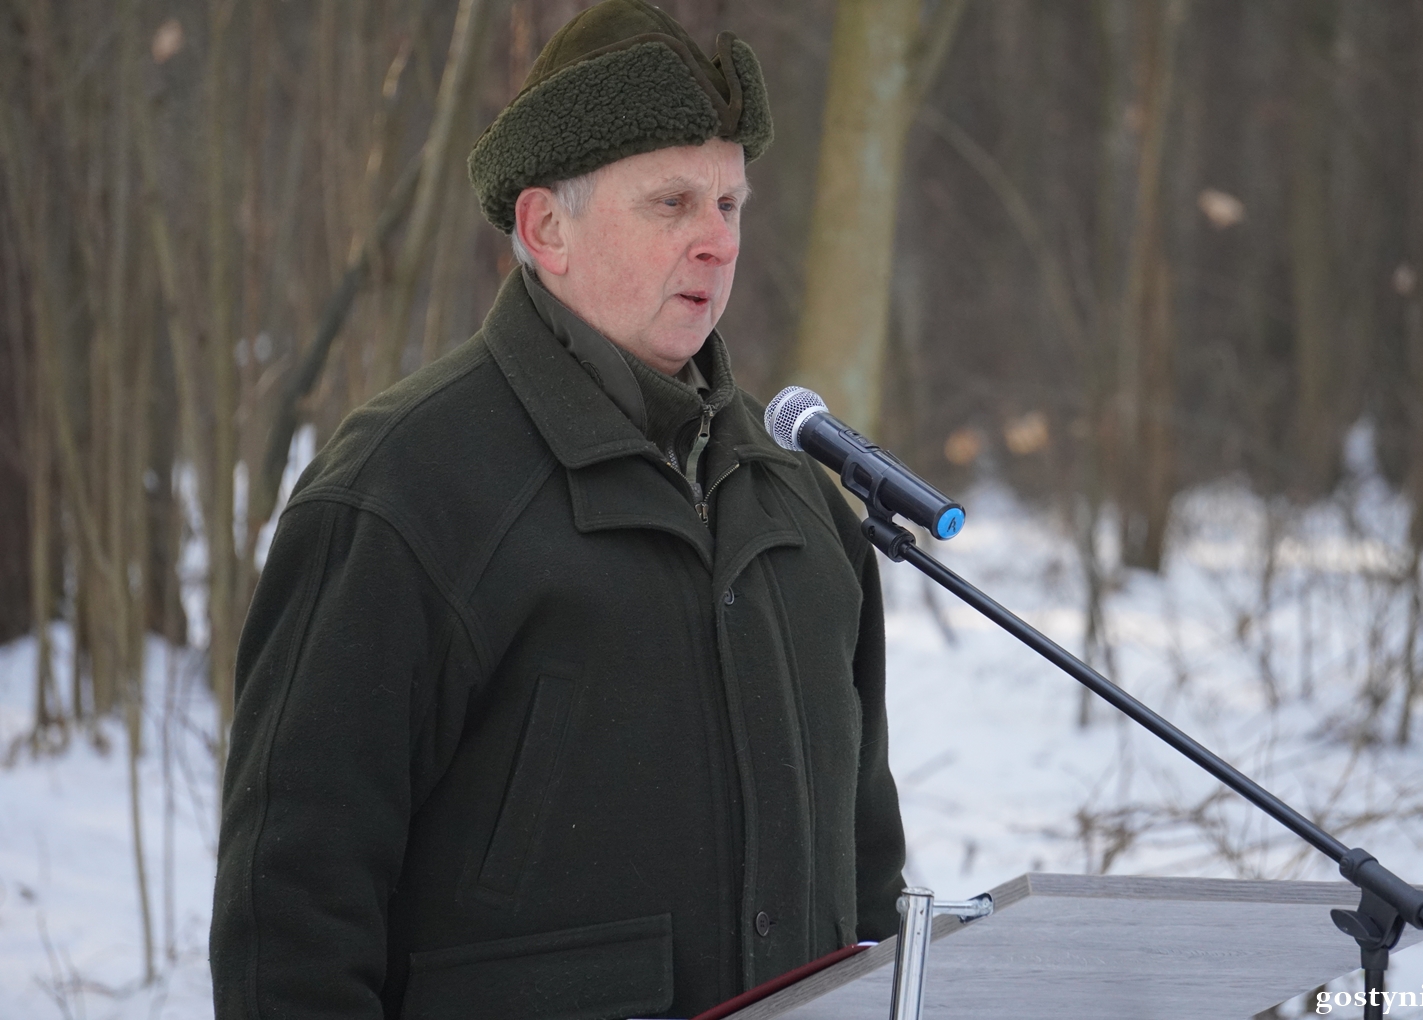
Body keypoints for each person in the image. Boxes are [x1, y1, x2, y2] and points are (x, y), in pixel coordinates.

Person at [210, 2, 906, 1018]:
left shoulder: (797, 502)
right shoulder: (402, 490)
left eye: (730, 203)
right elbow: (293, 919)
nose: (718, 242)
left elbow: (870, 890)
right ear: (547, 228)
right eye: (672, 203)